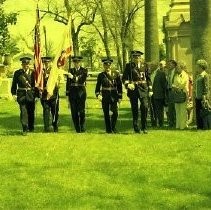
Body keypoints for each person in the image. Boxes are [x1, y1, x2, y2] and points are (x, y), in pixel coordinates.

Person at [122, 50, 152, 133]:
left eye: (138, 57)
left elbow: (148, 78)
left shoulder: (145, 66)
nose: (136, 58)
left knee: (145, 107)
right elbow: (124, 78)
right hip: (133, 89)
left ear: (140, 58)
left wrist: (150, 89)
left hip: (143, 88)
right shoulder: (129, 66)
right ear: (132, 58)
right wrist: (128, 84)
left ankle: (144, 127)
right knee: (134, 108)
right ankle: (136, 127)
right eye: (135, 57)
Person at [95, 58, 122, 133]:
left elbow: (119, 86)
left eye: (109, 65)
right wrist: (98, 95)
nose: (107, 67)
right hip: (105, 95)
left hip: (114, 95)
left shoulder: (116, 74)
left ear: (111, 66)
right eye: (106, 65)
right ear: (104, 66)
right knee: (106, 113)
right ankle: (108, 129)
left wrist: (120, 96)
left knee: (115, 113)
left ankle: (113, 127)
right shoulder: (101, 75)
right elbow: (97, 87)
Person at [11, 57, 37, 135]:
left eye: (27, 64)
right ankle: (25, 128)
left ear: (29, 65)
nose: (26, 66)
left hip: (31, 94)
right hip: (21, 94)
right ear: (22, 65)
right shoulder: (17, 73)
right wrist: (14, 94)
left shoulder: (33, 73)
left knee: (31, 111)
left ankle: (31, 127)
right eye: (24, 64)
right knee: (23, 111)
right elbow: (14, 84)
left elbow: (36, 85)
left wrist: (37, 96)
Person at [66, 56, 88, 133]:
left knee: (81, 111)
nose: (76, 64)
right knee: (74, 112)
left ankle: (82, 125)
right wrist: (67, 95)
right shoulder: (70, 70)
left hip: (81, 92)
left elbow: (82, 80)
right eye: (75, 62)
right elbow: (68, 84)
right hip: (72, 93)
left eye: (78, 62)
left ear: (80, 62)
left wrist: (73, 77)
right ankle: (77, 128)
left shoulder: (84, 70)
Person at [40, 56, 59, 132]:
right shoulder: (41, 71)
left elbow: (58, 81)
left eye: (48, 62)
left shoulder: (54, 71)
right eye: (45, 62)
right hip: (44, 95)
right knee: (46, 111)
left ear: (51, 63)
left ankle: (55, 126)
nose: (46, 64)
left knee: (54, 111)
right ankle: (46, 127)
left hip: (53, 94)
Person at [172, 61, 189, 130]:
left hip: (183, 94)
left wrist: (177, 87)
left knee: (182, 110)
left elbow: (183, 83)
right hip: (176, 94)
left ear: (181, 68)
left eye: (178, 68)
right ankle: (178, 125)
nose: (176, 69)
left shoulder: (185, 75)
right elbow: (173, 83)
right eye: (176, 68)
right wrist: (174, 86)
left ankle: (183, 126)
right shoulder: (176, 75)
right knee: (177, 110)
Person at [150, 60, 167, 128]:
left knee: (159, 110)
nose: (150, 67)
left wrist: (164, 95)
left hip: (159, 94)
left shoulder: (161, 73)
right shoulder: (150, 73)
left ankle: (161, 123)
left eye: (152, 66)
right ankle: (153, 123)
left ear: (156, 66)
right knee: (152, 109)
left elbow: (164, 85)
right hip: (151, 94)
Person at [195, 59, 211, 129]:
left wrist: (204, 96)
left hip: (202, 97)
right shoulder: (198, 75)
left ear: (201, 67)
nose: (196, 67)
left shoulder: (205, 75)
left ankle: (205, 126)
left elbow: (206, 87)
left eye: (197, 66)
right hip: (197, 96)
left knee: (204, 112)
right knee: (198, 112)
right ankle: (199, 126)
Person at [166, 59, 177, 128]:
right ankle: (171, 123)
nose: (169, 66)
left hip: (174, 91)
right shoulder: (169, 72)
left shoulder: (176, 71)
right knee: (170, 108)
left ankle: (175, 122)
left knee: (174, 108)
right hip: (169, 91)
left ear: (174, 64)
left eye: (170, 64)